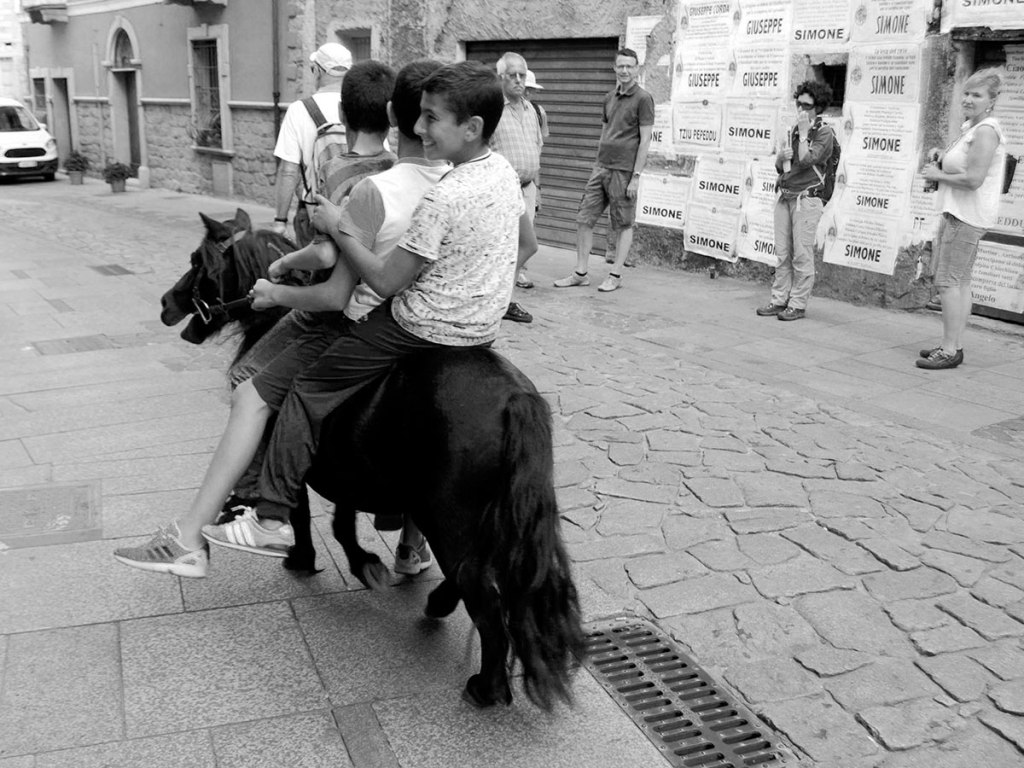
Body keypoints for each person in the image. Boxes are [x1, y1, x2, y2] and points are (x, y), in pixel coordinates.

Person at [200, 61, 536, 559]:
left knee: (307, 389)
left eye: (432, 119)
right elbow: (527, 246)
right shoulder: (503, 173)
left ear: (472, 127)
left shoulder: (438, 196)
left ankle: (270, 517)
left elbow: (383, 281)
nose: (421, 128)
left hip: (418, 326)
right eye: (420, 116)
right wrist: (477, 286)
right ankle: (410, 538)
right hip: (482, 329)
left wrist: (340, 226)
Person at [112, 60, 400, 578]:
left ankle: (246, 506)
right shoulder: (397, 167)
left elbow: (328, 260)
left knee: (249, 385)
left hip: (340, 313)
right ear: (395, 116)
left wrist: (279, 277)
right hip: (391, 313)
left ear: (343, 113)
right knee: (249, 369)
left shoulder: (340, 170)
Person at [917, 68, 1006, 370]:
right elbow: (963, 166)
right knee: (961, 282)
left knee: (947, 283)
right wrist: (942, 157)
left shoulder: (986, 131)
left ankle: (949, 350)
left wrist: (937, 174)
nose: (968, 99)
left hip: (965, 216)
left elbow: (973, 179)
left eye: (976, 95)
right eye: (966, 93)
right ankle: (953, 344)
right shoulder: (972, 127)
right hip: (960, 212)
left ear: (991, 101)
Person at [554, 48, 653, 293]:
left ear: (637, 69)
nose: (625, 70)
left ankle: (616, 274)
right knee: (583, 218)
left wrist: (636, 176)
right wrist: (598, 163)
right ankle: (580, 273)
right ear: (614, 68)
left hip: (624, 171)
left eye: (629, 66)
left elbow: (645, 139)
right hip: (601, 168)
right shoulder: (608, 98)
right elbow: (604, 132)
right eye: (621, 66)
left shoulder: (643, 99)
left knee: (623, 224)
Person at [756, 80, 835, 322]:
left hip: (807, 199)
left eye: (807, 106)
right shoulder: (794, 130)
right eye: (798, 103)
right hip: (786, 194)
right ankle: (779, 299)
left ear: (818, 107)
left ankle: (797, 304)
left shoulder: (824, 132)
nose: (801, 109)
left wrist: (803, 135)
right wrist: (780, 157)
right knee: (782, 252)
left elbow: (807, 159)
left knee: (801, 254)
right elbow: (784, 168)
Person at [271, 42, 352, 245]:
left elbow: (289, 171)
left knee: (312, 263)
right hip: (355, 213)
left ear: (317, 71)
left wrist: (280, 221)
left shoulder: (299, 110)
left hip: (314, 212)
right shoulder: (360, 104)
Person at [490, 51, 543, 324]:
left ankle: (504, 300)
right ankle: (497, 300)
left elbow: (536, 148)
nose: (519, 80)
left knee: (522, 247)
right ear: (501, 77)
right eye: (513, 75)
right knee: (501, 248)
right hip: (501, 190)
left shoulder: (530, 110)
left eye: (523, 75)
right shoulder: (492, 109)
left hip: (527, 188)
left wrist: (537, 187)